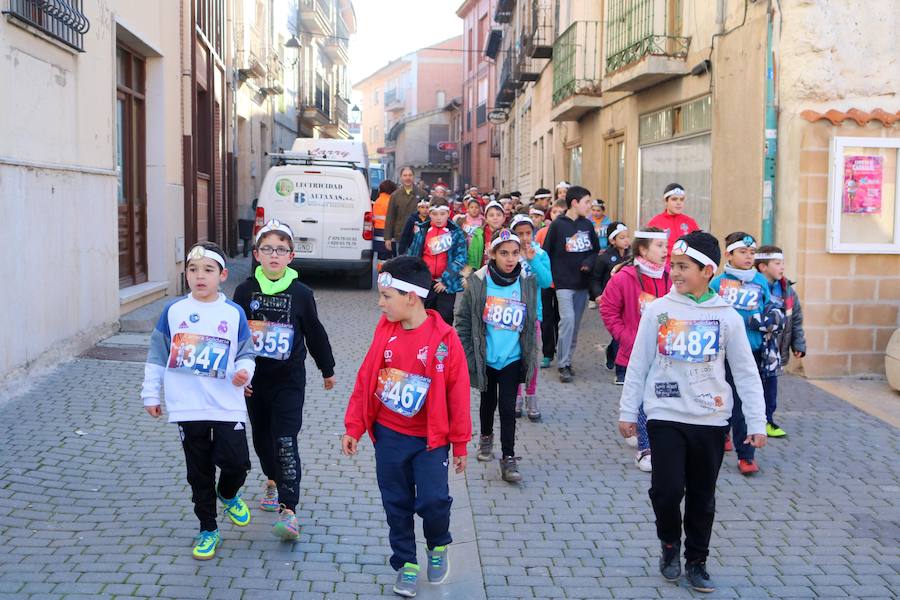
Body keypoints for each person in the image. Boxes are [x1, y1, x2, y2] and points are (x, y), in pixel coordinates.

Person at [618, 231, 767, 593]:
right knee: (666, 491)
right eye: (673, 265)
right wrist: (628, 410)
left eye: (684, 267)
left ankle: (697, 561)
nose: (675, 273)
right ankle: (670, 543)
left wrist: (756, 421)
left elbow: (746, 373)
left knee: (702, 497)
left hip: (711, 420)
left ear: (708, 271)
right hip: (665, 414)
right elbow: (639, 363)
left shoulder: (727, 317)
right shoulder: (659, 310)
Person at [342, 256, 471, 598]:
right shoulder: (385, 332)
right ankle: (406, 564)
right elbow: (366, 379)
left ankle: (437, 544)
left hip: (430, 441)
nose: (380, 303)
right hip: (389, 437)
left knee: (433, 501)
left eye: (386, 296)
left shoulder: (445, 339)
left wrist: (460, 443)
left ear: (411, 297)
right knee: (396, 503)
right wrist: (354, 427)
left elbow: (458, 394)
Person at [141, 242, 256, 560]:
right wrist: (150, 393)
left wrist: (245, 372)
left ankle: (228, 493)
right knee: (199, 471)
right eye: (193, 270)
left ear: (223, 275)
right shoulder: (173, 311)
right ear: (186, 274)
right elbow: (156, 355)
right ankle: (208, 528)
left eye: (208, 270)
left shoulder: (233, 313)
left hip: (227, 403)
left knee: (236, 462)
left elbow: (246, 353)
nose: (200, 276)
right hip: (187, 405)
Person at [232, 220, 336, 541]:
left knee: (285, 440)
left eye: (281, 249)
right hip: (255, 382)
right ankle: (272, 480)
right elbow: (234, 336)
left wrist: (327, 368)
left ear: (291, 256)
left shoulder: (301, 293)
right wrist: (237, 374)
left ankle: (289, 510)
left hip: (289, 381)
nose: (274, 255)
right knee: (262, 440)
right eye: (267, 249)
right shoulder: (245, 291)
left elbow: (315, 333)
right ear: (257, 254)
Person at [456, 229, 539, 483]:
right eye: (504, 253)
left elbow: (531, 319)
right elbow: (463, 322)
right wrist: (469, 355)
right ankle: (485, 437)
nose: (510, 258)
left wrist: (531, 352)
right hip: (486, 358)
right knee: (488, 402)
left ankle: (508, 457)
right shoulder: (478, 282)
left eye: (515, 253)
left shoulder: (526, 281)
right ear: (492, 254)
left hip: (512, 358)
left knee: (507, 408)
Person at [711, 232, 783, 475]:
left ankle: (746, 455)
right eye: (743, 252)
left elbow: (770, 310)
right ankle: (723, 433)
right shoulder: (717, 283)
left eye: (752, 253)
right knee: (721, 398)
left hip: (751, 351)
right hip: (721, 353)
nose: (748, 257)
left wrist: (765, 321)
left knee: (744, 403)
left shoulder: (760, 282)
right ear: (729, 255)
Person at [600, 228, 670, 471]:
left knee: (660, 398)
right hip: (635, 351)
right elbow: (608, 310)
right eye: (659, 246)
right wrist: (626, 338)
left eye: (666, 245)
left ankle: (650, 436)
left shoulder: (672, 277)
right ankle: (645, 449)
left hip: (666, 351)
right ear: (643, 249)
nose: (665, 251)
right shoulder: (624, 277)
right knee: (642, 399)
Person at [541, 185, 600, 383]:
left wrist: (588, 263)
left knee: (574, 326)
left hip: (582, 284)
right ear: (574, 203)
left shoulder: (587, 225)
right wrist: (549, 277)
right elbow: (546, 252)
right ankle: (563, 364)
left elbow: (595, 251)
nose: (590, 206)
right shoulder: (558, 225)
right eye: (587, 202)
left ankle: (567, 359)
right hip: (563, 283)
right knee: (567, 320)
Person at [754, 245, 807, 437]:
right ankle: (738, 425)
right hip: (754, 347)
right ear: (763, 267)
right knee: (748, 387)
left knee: (770, 387)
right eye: (777, 263)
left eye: (783, 263)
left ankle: (767, 421)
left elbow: (796, 320)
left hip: (774, 351)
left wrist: (798, 344)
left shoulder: (787, 291)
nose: (782, 267)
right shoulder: (752, 287)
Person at [509, 214, 553, 420]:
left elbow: (546, 281)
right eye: (520, 234)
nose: (525, 238)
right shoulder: (508, 254)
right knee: (513, 356)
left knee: (531, 358)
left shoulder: (540, 254)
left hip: (533, 314)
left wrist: (532, 260)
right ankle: (516, 396)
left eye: (528, 233)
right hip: (510, 314)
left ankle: (531, 395)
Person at [406, 200, 468, 325]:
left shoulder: (456, 233)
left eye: (442, 214)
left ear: (448, 214)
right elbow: (412, 256)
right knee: (425, 316)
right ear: (429, 214)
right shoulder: (422, 232)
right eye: (434, 214)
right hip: (426, 282)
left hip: (446, 284)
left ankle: (444, 338)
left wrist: (446, 280)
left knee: (445, 316)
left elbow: (461, 258)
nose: (438, 218)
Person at [589, 221, 631, 371]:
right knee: (617, 331)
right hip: (611, 300)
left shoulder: (632, 257)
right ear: (612, 240)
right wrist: (597, 295)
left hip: (629, 300)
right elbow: (595, 279)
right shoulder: (604, 258)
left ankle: (619, 361)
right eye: (622, 238)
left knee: (625, 330)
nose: (626, 241)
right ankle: (614, 355)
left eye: (627, 237)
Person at [536, 199, 566, 368]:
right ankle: (547, 353)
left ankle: (562, 351)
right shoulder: (542, 233)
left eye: (561, 212)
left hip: (563, 281)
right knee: (546, 318)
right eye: (555, 212)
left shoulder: (569, 232)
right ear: (550, 214)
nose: (558, 215)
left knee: (561, 318)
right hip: (546, 281)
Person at [646, 183, 700, 257]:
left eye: (681, 199)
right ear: (665, 201)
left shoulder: (690, 222)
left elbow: (699, 247)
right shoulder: (655, 223)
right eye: (674, 199)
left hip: (684, 263)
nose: (679, 203)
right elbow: (647, 248)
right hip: (664, 263)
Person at [384, 167, 420, 256]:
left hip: (418, 237)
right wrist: (387, 238)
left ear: (413, 177)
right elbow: (390, 217)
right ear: (401, 177)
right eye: (405, 175)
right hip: (400, 236)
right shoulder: (395, 195)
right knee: (401, 261)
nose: (407, 178)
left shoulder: (422, 194)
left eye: (410, 175)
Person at [467, 200, 506, 270]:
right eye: (491, 215)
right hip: (482, 271)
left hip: (502, 271)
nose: (495, 218)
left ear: (504, 218)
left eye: (498, 215)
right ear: (486, 218)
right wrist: (472, 271)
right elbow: (472, 256)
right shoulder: (478, 234)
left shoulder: (507, 234)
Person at [373, 180, 397, 262]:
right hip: (389, 233)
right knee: (391, 259)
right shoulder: (391, 201)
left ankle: (381, 270)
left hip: (377, 232)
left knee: (381, 259)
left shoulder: (377, 201)